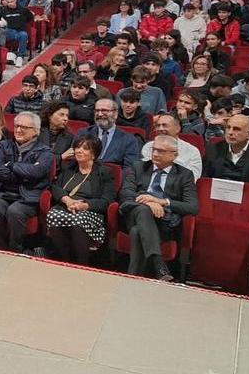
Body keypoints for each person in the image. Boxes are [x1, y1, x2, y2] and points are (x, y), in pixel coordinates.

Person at [120, 135, 199, 280]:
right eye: (154, 150)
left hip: (163, 223)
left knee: (137, 232)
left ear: (175, 155)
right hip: (134, 214)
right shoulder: (139, 167)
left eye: (161, 151)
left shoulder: (185, 175)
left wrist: (162, 201)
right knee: (143, 210)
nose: (155, 154)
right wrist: (149, 202)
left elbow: (192, 207)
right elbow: (126, 193)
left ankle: (132, 279)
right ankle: (159, 265)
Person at [0, 111, 53, 253]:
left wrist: (11, 165)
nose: (18, 130)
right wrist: (24, 174)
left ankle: (15, 249)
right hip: (5, 191)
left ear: (35, 131)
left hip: (30, 195)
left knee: (15, 211)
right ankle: (0, 247)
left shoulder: (45, 151)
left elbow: (36, 172)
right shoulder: (3, 146)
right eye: (17, 126)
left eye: (24, 127)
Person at [46, 134, 117, 265]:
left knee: (78, 221)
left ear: (93, 154)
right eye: (77, 147)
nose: (79, 151)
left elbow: (107, 201)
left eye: (85, 148)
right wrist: (67, 200)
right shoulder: (69, 167)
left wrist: (85, 205)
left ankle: (82, 263)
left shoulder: (104, 172)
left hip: (90, 211)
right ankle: (66, 260)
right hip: (66, 206)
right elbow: (55, 187)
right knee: (53, 215)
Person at [203, 114, 249, 187]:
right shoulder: (213, 149)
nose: (230, 132)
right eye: (228, 127)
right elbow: (205, 181)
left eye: (236, 129)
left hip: (247, 193)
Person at [79, 98, 142, 168]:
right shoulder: (84, 133)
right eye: (97, 110)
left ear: (115, 114)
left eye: (104, 110)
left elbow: (129, 169)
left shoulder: (129, 140)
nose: (99, 114)